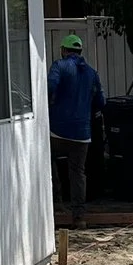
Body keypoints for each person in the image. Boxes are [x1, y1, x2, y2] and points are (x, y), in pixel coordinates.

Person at [48, 35, 106, 228]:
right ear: (80, 52)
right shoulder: (91, 73)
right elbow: (101, 102)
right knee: (78, 173)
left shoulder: (59, 66)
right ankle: (79, 217)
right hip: (82, 133)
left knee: (47, 162)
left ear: (64, 50)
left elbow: (49, 87)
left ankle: (55, 205)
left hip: (57, 130)